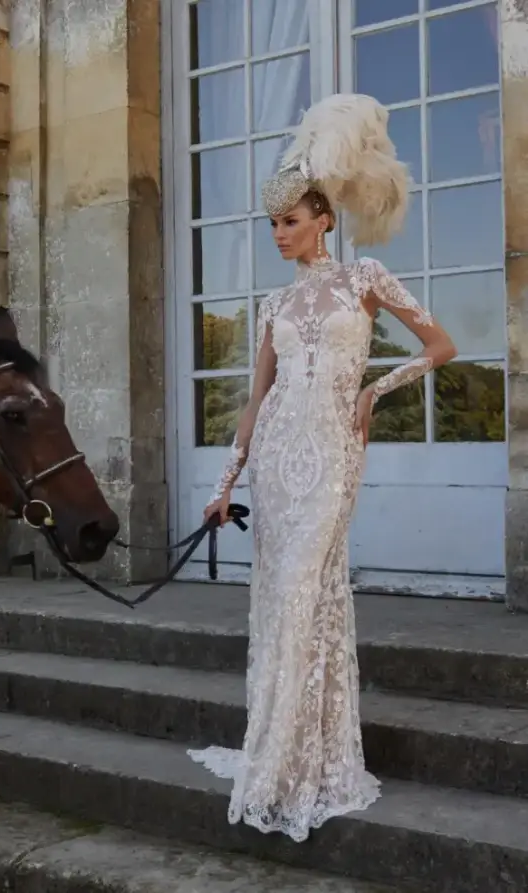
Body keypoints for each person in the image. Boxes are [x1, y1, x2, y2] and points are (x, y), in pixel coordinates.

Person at [188, 93, 457, 842]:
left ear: (324, 219)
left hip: (334, 456)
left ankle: (304, 757)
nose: (280, 234)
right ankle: (275, 750)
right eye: (273, 224)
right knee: (279, 603)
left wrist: (377, 387)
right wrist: (224, 486)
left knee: (310, 592)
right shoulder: (274, 304)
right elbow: (255, 401)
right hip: (277, 461)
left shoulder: (365, 277)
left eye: (292, 221)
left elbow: (441, 347)